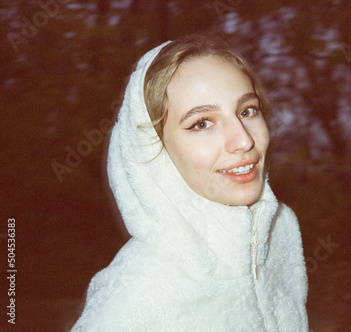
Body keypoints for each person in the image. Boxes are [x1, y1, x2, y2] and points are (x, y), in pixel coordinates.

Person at [72, 33, 309, 331]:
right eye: (202, 123)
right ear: (153, 147)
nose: (244, 140)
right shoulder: (136, 295)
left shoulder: (279, 236)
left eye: (247, 111)